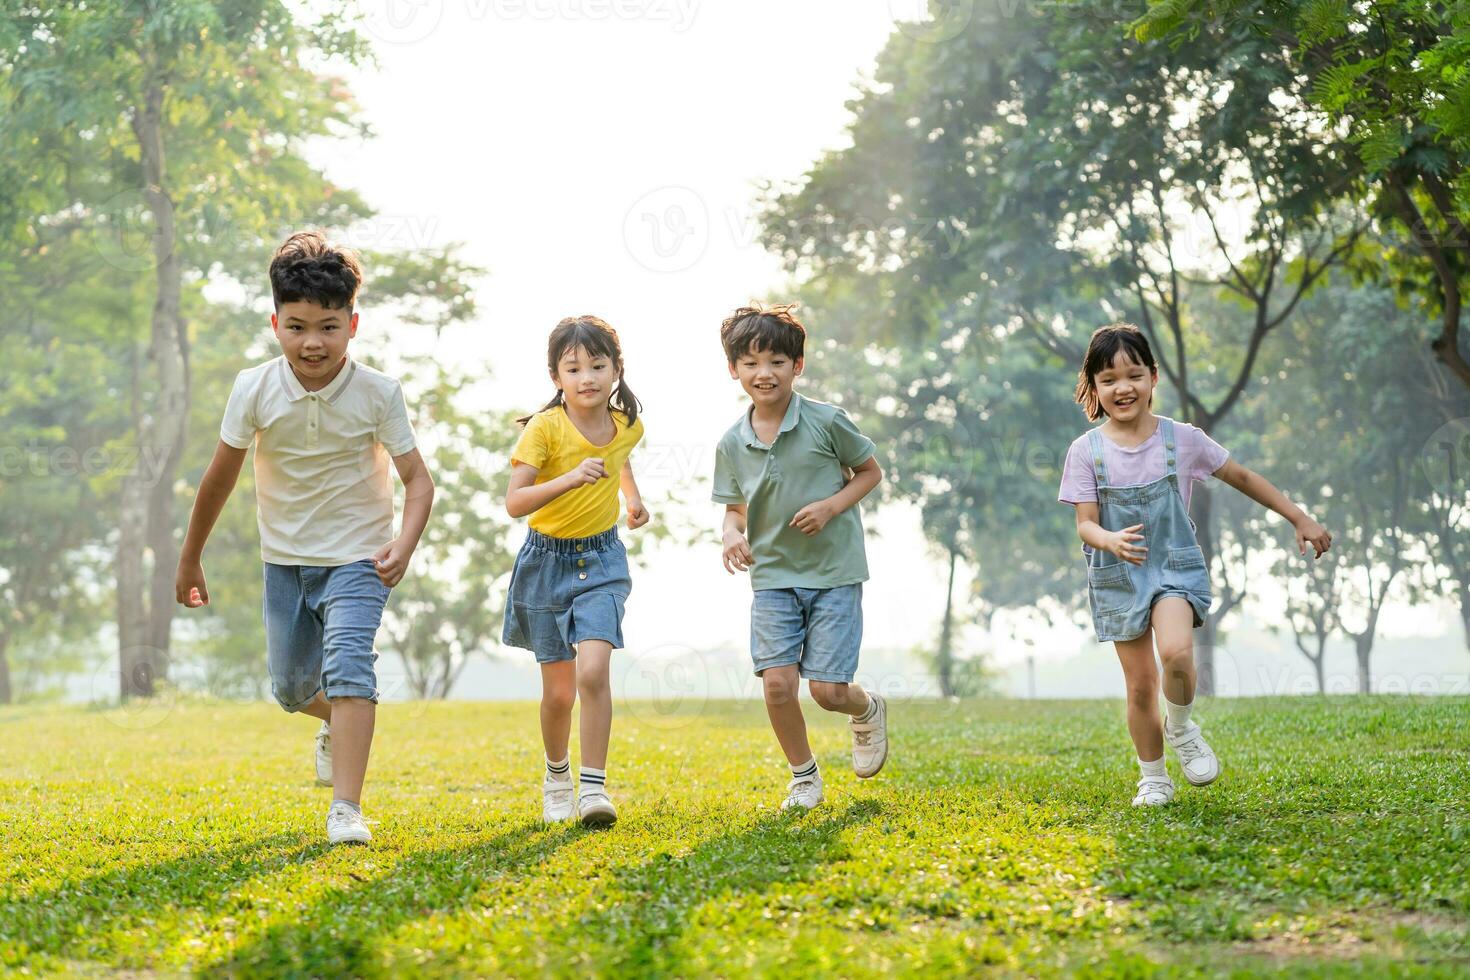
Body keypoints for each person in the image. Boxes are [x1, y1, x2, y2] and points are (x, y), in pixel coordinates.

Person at [176, 230, 435, 844]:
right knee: (292, 689)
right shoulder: (255, 388)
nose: (312, 342)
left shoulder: (378, 392)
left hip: (359, 557)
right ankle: (338, 722)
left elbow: (419, 481)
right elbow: (218, 479)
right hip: (285, 561)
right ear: (274, 322)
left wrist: (403, 542)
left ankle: (346, 809)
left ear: (353, 323)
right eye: (296, 327)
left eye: (327, 326)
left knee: (349, 668)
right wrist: (190, 560)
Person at [1058, 323, 1331, 807]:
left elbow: (1242, 476)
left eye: (1134, 374)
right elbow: (1085, 524)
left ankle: (1181, 728)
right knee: (1141, 685)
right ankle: (1154, 777)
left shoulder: (1182, 439)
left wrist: (1299, 516)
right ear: (1094, 387)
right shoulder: (1086, 451)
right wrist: (1110, 540)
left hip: (1173, 569)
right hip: (1118, 573)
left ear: (1153, 377)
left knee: (1179, 653)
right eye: (1109, 379)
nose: (1123, 388)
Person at [712, 303, 889, 812]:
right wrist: (729, 535)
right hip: (772, 578)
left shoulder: (827, 421)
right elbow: (734, 510)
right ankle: (804, 777)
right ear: (734, 370)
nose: (763, 373)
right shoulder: (731, 442)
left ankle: (868, 708)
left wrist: (831, 507)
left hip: (834, 573)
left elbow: (870, 472)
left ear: (798, 365)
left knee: (829, 692)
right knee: (777, 686)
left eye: (776, 362)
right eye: (751, 363)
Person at [503, 315, 648, 828]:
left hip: (602, 560)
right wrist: (568, 479)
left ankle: (593, 788)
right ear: (556, 377)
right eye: (573, 368)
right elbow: (515, 503)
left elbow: (619, 457)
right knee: (559, 693)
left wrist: (632, 500)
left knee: (593, 671)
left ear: (616, 370)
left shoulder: (628, 423)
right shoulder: (544, 428)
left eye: (597, 365)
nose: (586, 376)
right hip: (546, 565)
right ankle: (557, 775)